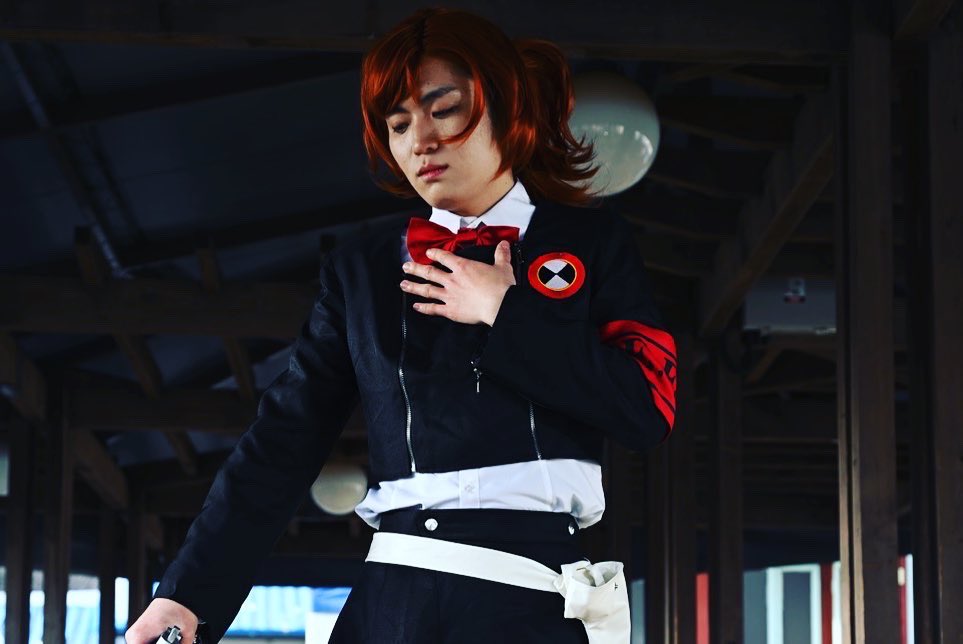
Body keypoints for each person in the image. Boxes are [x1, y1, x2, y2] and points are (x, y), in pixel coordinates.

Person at [125, 7, 677, 644]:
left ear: (507, 106)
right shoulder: (361, 272)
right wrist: (187, 594)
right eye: (398, 123)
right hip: (394, 596)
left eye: (444, 110)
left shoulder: (593, 241)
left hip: (533, 594)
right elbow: (284, 437)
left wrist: (506, 312)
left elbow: (648, 408)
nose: (421, 140)